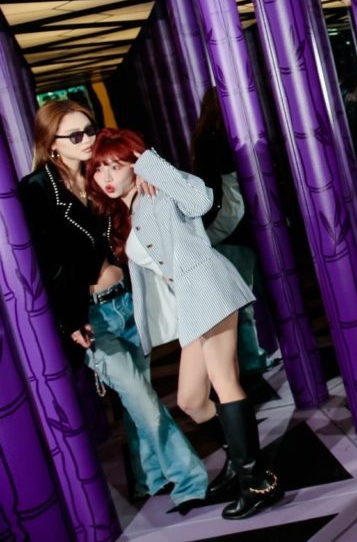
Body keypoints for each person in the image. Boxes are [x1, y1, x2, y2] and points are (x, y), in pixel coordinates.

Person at [17, 100, 208, 511]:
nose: (88, 139)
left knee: (139, 397)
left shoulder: (100, 173)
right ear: (52, 145)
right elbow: (43, 265)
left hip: (128, 303)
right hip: (90, 317)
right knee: (144, 402)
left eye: (89, 129)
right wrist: (68, 320)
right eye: (75, 135)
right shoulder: (36, 190)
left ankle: (148, 477)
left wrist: (146, 179)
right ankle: (191, 480)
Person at [87, 128, 283, 520]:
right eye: (100, 169)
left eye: (117, 165)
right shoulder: (128, 211)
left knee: (225, 383)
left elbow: (201, 198)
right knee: (193, 401)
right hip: (192, 307)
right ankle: (236, 462)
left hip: (209, 288)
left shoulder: (156, 194)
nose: (107, 176)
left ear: (135, 164)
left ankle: (257, 481)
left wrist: (151, 166)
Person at [190, 88, 273, 376]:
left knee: (243, 299)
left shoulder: (206, 138)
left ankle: (252, 357)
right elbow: (233, 194)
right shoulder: (219, 141)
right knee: (243, 300)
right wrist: (214, 236)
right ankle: (251, 361)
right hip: (232, 232)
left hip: (227, 230)